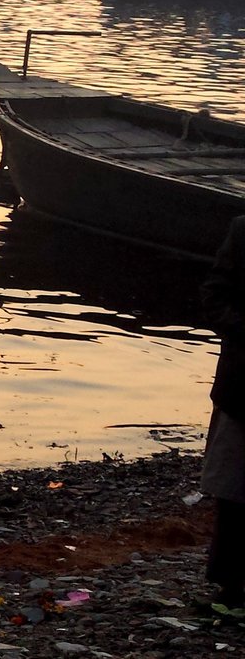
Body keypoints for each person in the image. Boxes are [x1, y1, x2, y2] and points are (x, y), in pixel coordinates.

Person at [204, 216, 245, 607]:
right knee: (233, 490)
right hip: (243, 385)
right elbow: (215, 297)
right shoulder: (242, 230)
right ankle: (230, 583)